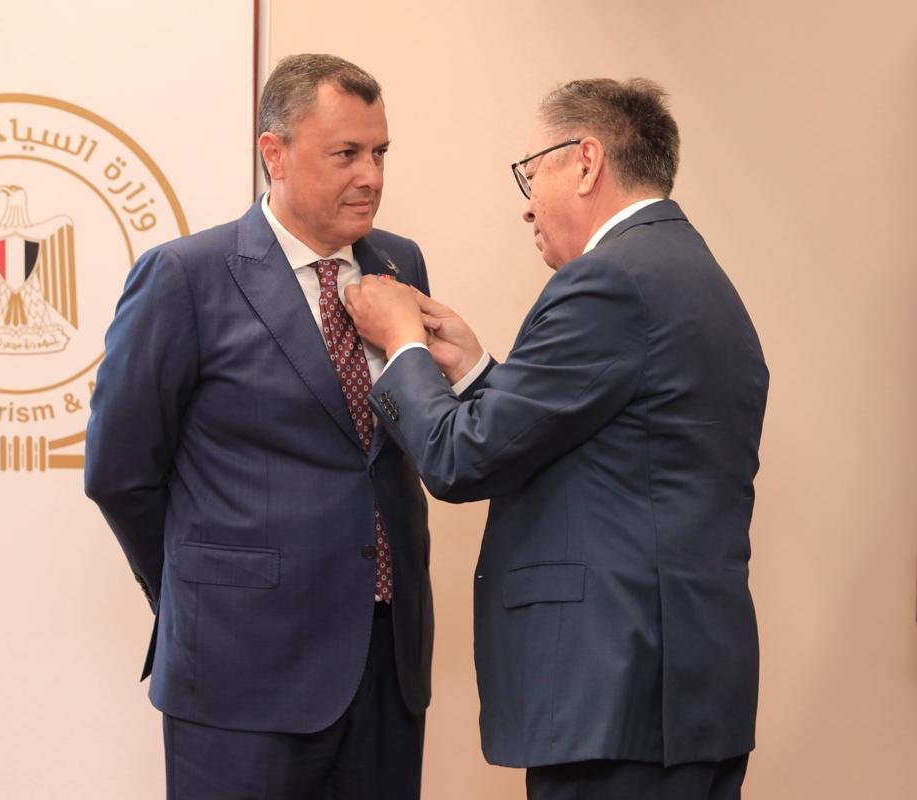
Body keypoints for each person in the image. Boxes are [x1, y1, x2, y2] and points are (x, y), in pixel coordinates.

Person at [345, 78, 769, 800]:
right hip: (683, 694)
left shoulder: (609, 282)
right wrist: (473, 369)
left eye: (530, 172)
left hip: (616, 695)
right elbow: (593, 440)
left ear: (586, 161)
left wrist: (402, 343)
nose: (526, 203)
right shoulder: (689, 271)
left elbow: (458, 460)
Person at [85, 54, 434, 800]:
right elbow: (119, 471)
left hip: (385, 665)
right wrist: (204, 591)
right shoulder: (185, 276)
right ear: (273, 152)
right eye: (346, 153)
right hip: (239, 668)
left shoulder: (399, 264)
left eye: (380, 153)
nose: (370, 176)